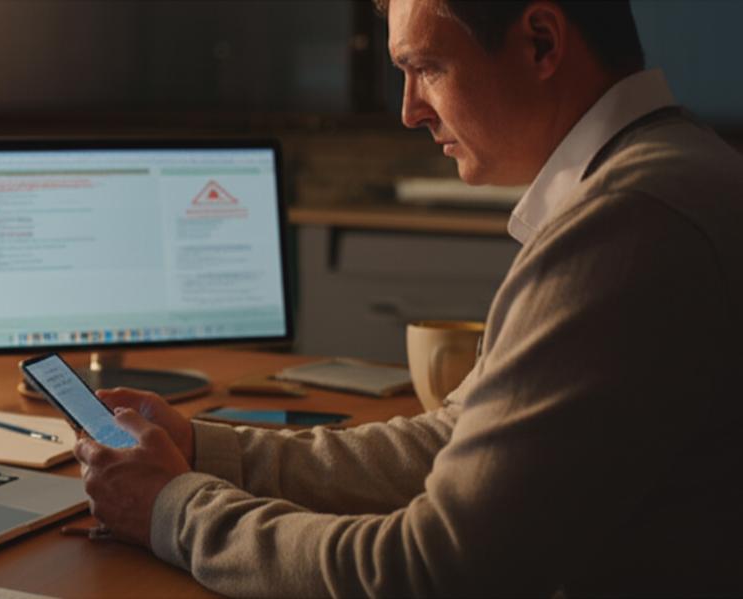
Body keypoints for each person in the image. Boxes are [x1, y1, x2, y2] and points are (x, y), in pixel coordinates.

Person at [74, 0, 743, 595]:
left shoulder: (626, 225)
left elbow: (429, 569)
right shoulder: (672, 172)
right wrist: (202, 451)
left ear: (541, 41)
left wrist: (171, 508)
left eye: (426, 67)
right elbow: (455, 438)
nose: (408, 109)